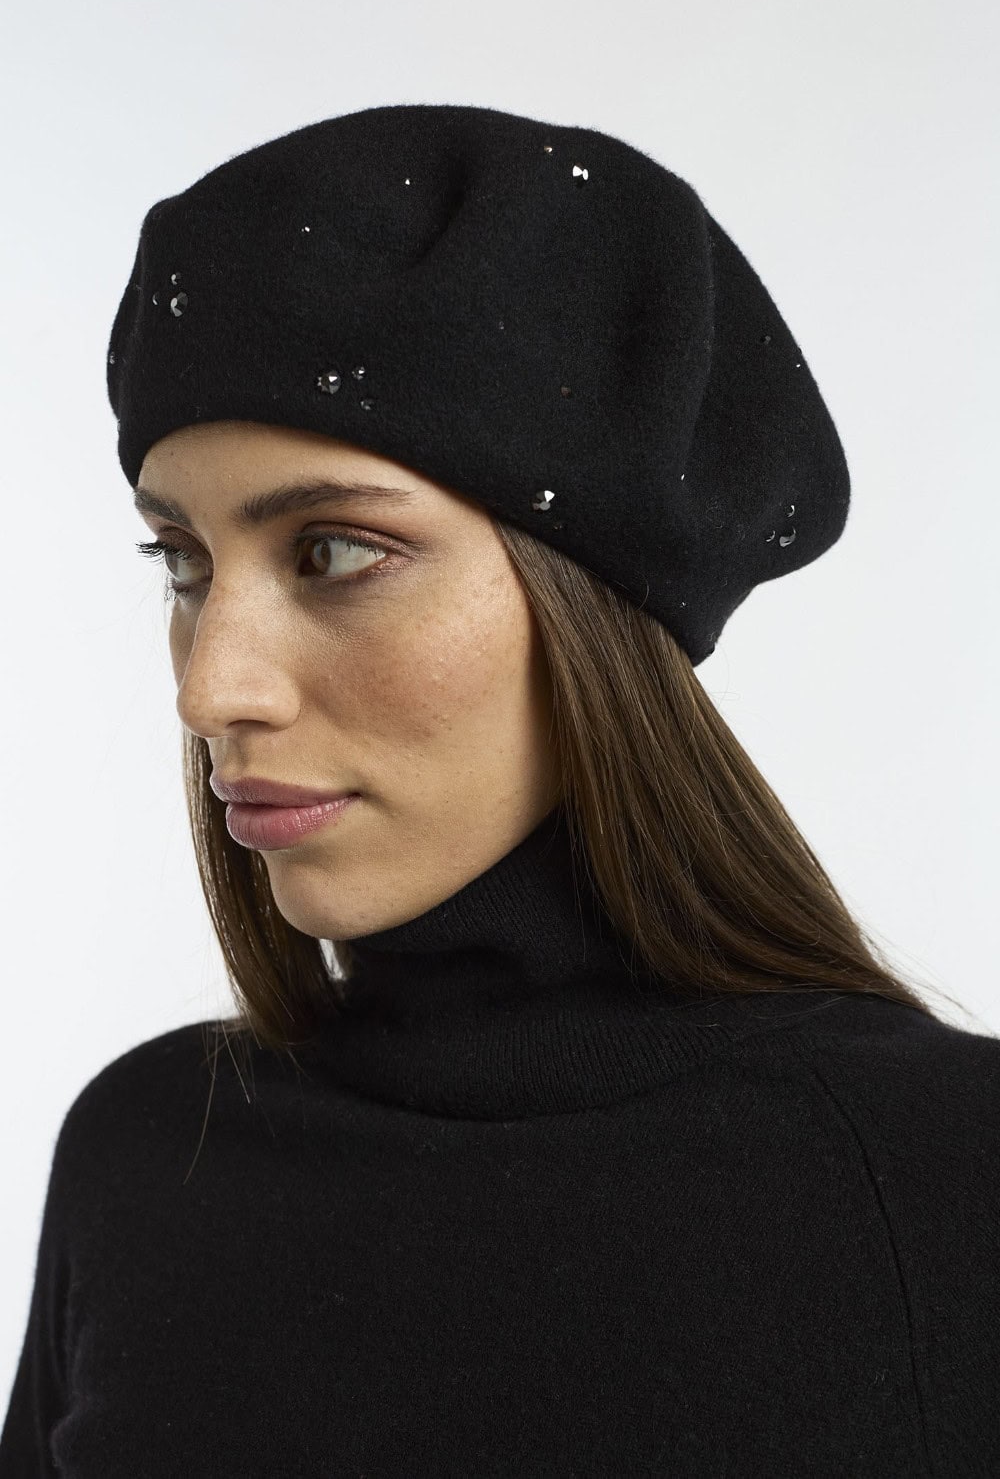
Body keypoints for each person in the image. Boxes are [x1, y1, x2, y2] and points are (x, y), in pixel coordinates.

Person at [2, 103, 997, 1477]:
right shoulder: (149, 1153)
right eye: (183, 562)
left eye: (334, 552)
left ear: (594, 597)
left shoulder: (954, 1181)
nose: (210, 687)